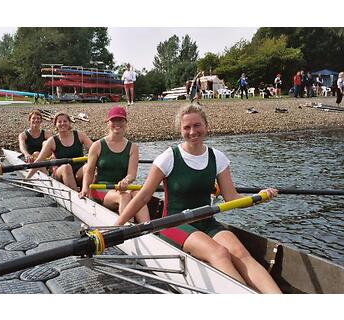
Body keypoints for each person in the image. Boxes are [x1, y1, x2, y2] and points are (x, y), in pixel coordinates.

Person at [114, 104, 282, 294]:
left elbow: (231, 197)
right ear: (180, 130)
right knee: (219, 253)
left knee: (241, 254)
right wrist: (116, 226)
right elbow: (143, 196)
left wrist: (258, 197)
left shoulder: (217, 158)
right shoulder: (168, 157)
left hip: (207, 221)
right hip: (173, 223)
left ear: (206, 126)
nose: (193, 132)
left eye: (197, 125)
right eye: (187, 127)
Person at [79, 106, 150, 222]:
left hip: (122, 187)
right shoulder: (97, 146)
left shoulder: (133, 148)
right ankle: (128, 230)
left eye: (120, 120)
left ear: (126, 123)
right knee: (125, 196)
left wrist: (126, 181)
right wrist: (84, 188)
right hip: (100, 189)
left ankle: (148, 229)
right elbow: (89, 172)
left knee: (138, 194)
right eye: (114, 120)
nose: (117, 123)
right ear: (108, 123)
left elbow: (131, 174)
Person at [26, 112, 93, 191]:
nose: (62, 124)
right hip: (60, 173)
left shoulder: (79, 135)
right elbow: (39, 160)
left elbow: (95, 150)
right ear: (55, 124)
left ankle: (91, 194)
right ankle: (76, 193)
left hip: (78, 172)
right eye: (59, 122)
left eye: (65, 121)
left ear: (69, 123)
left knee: (88, 166)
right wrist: (27, 178)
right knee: (66, 167)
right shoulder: (52, 141)